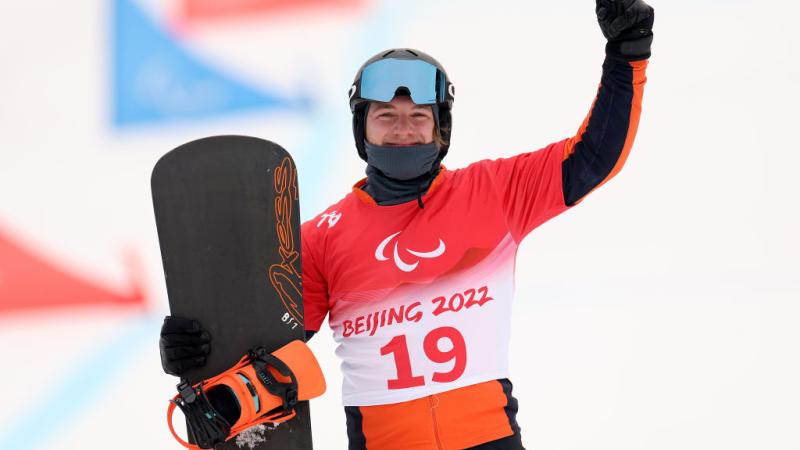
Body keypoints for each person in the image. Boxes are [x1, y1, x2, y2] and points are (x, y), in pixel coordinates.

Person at [160, 1, 655, 448]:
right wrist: (196, 351)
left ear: (441, 130)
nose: (403, 128)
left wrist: (626, 53)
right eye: (386, 116)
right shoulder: (322, 238)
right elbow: (268, 346)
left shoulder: (495, 192)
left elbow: (594, 156)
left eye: (419, 116)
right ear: (362, 128)